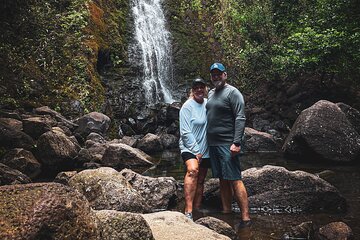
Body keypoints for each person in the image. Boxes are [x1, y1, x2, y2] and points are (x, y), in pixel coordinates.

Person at [206, 62, 251, 227]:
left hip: (227, 143)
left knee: (234, 178)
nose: (216, 77)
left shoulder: (233, 93)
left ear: (225, 75)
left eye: (219, 74)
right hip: (213, 144)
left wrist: (236, 142)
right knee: (222, 180)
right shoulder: (211, 93)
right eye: (213, 75)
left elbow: (240, 117)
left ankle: (246, 218)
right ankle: (227, 212)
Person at [179, 77, 211, 220]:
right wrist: (196, 150)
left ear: (205, 89)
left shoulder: (208, 104)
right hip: (189, 147)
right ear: (192, 90)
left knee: (202, 179)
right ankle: (189, 210)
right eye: (196, 87)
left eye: (201, 87)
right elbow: (185, 132)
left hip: (206, 148)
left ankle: (198, 209)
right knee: (193, 170)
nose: (199, 90)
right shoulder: (187, 107)